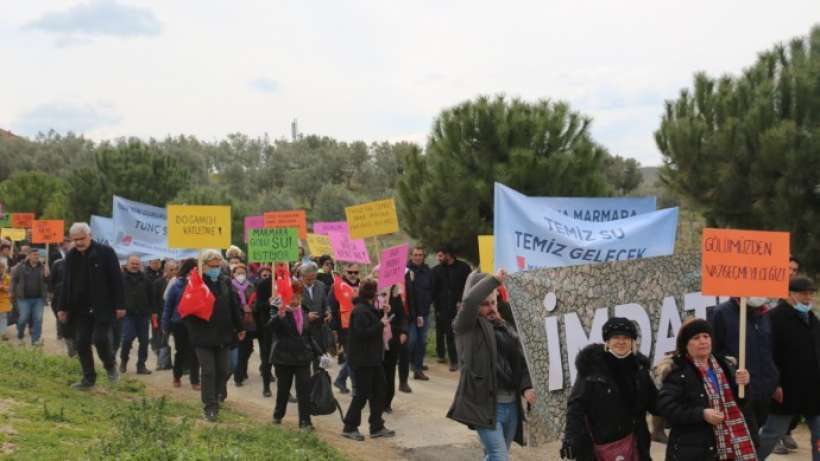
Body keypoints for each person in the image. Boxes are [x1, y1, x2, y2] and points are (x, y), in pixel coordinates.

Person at [447, 270, 536, 461]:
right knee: (499, 455)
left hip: (511, 405)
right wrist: (494, 280)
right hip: (485, 405)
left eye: (493, 302)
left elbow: (521, 362)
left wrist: (527, 387)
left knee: (495, 455)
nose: (491, 308)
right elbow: (470, 301)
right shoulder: (465, 326)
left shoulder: (506, 328)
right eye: (485, 304)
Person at [560, 317, 658, 460]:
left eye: (626, 337)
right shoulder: (591, 368)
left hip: (635, 447)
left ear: (632, 342)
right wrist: (570, 437)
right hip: (597, 450)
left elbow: (656, 404)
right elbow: (576, 406)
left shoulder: (640, 370)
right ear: (607, 341)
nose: (621, 341)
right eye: (616, 337)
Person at [657, 318, 754, 460]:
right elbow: (666, 407)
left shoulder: (726, 365)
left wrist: (744, 385)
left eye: (706, 336)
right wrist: (702, 414)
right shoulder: (677, 371)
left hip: (732, 444)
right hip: (693, 450)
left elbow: (741, 402)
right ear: (686, 344)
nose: (703, 341)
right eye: (696, 338)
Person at [758, 276, 820, 460]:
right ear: (788, 294)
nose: (807, 298)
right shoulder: (773, 318)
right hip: (785, 389)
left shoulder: (811, 317)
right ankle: (750, 458)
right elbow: (767, 355)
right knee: (772, 434)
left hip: (813, 389)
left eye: (810, 293)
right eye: (803, 293)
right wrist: (774, 385)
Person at [57, 223, 123, 389]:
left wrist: (120, 305)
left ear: (90, 235)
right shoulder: (71, 256)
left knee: (100, 339)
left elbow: (117, 280)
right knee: (81, 342)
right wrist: (62, 307)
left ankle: (110, 367)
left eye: (82, 238)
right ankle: (88, 379)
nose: (79, 242)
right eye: (75, 239)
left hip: (103, 305)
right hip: (81, 307)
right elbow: (67, 283)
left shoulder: (106, 252)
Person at [708, 296, 778, 449]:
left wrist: (774, 382)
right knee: (743, 441)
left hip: (763, 389)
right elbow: (713, 353)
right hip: (738, 391)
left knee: (755, 440)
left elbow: (770, 350)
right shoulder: (721, 313)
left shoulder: (765, 314)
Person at [184, 250, 245, 422]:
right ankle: (210, 406)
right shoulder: (195, 284)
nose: (216, 269)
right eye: (212, 266)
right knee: (209, 371)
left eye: (218, 266)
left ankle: (217, 394)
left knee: (223, 370)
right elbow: (186, 312)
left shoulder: (225, 282)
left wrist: (240, 327)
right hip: (203, 337)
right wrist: (194, 333)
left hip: (223, 335)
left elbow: (233, 306)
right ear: (203, 266)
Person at [341, 279, 395, 441]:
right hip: (362, 359)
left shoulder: (368, 309)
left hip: (373, 358)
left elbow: (372, 320)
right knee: (362, 394)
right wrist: (380, 324)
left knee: (380, 390)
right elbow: (361, 333)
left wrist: (382, 312)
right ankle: (349, 426)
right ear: (372, 294)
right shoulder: (360, 311)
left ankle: (376, 426)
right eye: (377, 291)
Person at [269, 280, 322, 430]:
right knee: (283, 389)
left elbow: (308, 336)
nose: (295, 300)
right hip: (284, 357)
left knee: (304, 390)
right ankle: (278, 414)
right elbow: (271, 328)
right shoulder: (279, 311)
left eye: (298, 296)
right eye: (292, 296)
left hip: (303, 357)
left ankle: (305, 421)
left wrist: (320, 353)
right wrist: (278, 314)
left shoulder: (303, 312)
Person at [432, 245, 472, 371]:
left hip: (462, 307)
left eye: (441, 255)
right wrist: (437, 307)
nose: (438, 258)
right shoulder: (436, 270)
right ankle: (453, 361)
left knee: (462, 333)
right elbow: (434, 291)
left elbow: (469, 285)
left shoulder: (464, 268)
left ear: (448, 255)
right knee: (448, 333)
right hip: (443, 308)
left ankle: (464, 358)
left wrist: (462, 300)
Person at [162, 258, 200, 389]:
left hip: (195, 322)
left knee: (195, 352)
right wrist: (165, 325)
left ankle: (195, 380)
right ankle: (176, 376)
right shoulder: (176, 284)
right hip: (179, 323)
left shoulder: (200, 284)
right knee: (181, 351)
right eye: (193, 269)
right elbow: (168, 306)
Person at [119, 254, 153, 375]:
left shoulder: (146, 279)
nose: (135, 266)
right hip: (128, 315)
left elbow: (151, 296)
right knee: (127, 339)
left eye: (137, 264)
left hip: (143, 315)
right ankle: (123, 362)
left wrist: (151, 311)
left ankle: (141, 365)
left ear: (140, 265)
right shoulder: (120, 278)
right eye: (132, 263)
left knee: (144, 341)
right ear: (127, 264)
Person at [330, 262, 361, 394]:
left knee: (354, 357)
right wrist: (334, 329)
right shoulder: (337, 286)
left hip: (360, 327)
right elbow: (332, 307)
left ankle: (341, 379)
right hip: (345, 328)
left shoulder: (363, 285)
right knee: (353, 357)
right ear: (344, 272)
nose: (353, 275)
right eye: (350, 272)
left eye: (356, 272)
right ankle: (355, 388)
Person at [11, 248, 49, 346]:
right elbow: (14, 280)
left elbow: (48, 282)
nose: (36, 256)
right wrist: (11, 293)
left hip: (38, 299)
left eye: (38, 255)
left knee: (38, 319)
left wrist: (47, 275)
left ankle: (35, 340)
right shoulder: (21, 267)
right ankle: (20, 335)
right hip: (24, 298)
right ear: (29, 255)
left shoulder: (43, 267)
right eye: (34, 254)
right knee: (23, 318)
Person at [406, 246, 433, 381]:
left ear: (424, 256)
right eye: (415, 255)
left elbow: (431, 290)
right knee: (411, 340)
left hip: (424, 313)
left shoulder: (427, 271)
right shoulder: (405, 271)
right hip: (410, 313)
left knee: (421, 341)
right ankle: (408, 362)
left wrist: (428, 303)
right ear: (411, 256)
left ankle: (418, 369)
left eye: (420, 255)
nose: (418, 257)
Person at [381, 284, 409, 412]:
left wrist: (404, 331)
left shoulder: (396, 297)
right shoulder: (375, 296)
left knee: (390, 369)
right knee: (378, 370)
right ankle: (376, 399)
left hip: (393, 338)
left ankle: (387, 402)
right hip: (378, 339)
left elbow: (402, 315)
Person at [300, 262, 330, 373]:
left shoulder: (321, 285)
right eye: (308, 279)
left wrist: (328, 311)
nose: (311, 281)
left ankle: (319, 380)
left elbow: (325, 302)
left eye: (313, 278)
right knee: (306, 358)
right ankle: (306, 383)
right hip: (303, 330)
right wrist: (306, 316)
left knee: (319, 356)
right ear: (302, 276)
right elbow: (293, 307)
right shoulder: (295, 287)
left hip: (319, 327)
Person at [232, 263, 256, 387]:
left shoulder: (251, 286)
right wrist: (241, 307)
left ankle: (243, 371)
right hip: (237, 322)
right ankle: (238, 376)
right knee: (240, 350)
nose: (241, 275)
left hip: (249, 322)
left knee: (248, 349)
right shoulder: (230, 286)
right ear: (233, 274)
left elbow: (256, 302)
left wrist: (250, 307)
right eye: (238, 273)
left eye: (243, 273)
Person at [254, 265, 276, 397]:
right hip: (267, 327)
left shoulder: (289, 283)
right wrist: (270, 303)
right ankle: (266, 386)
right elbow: (258, 306)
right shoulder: (264, 285)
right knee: (267, 357)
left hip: (285, 326)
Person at [152, 259, 177, 371]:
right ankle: (163, 362)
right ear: (165, 270)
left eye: (176, 269)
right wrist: (156, 314)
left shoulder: (179, 282)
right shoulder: (158, 283)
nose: (174, 272)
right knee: (162, 339)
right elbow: (155, 300)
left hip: (176, 316)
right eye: (171, 270)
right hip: (162, 315)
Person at [0, 261, 11, 338]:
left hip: (4, 300)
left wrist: (2, 287)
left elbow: (9, 289)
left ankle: (3, 333)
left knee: (3, 316)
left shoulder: (7, 277)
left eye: (1, 267)